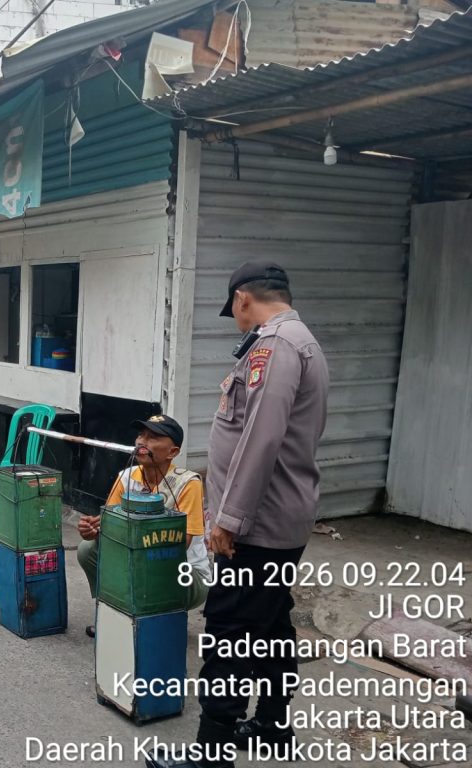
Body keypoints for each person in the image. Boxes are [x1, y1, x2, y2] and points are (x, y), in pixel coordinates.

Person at [147, 262, 329, 768]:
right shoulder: (297, 341)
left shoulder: (277, 345)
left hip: (257, 524)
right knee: (270, 624)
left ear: (243, 298)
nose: (237, 319)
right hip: (277, 518)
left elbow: (261, 438)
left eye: (235, 310)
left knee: (229, 632)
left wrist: (229, 519)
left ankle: (212, 752)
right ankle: (272, 725)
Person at [77, 413, 209, 637]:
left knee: (148, 563)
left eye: (153, 437)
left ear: (173, 452)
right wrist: (94, 531)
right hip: (138, 562)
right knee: (88, 550)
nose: (142, 442)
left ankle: (153, 622)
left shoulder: (187, 483)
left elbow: (180, 545)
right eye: (141, 435)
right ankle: (114, 614)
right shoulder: (127, 476)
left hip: (183, 571)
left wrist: (132, 533)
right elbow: (110, 528)